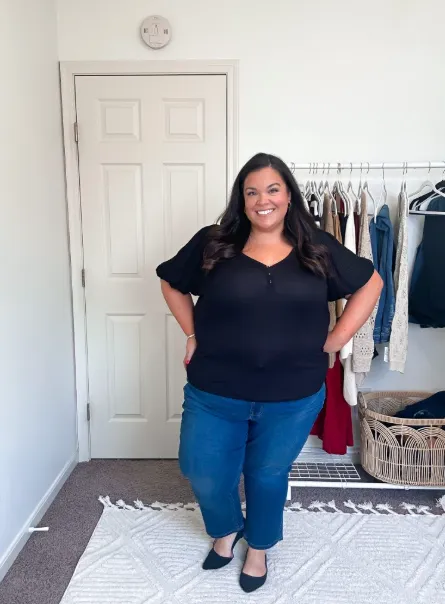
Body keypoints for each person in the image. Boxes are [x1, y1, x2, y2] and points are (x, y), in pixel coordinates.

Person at [156, 153, 382, 593]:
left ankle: (257, 548)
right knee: (202, 470)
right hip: (215, 389)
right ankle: (226, 529)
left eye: (273, 189)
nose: (263, 200)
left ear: (289, 195)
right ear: (241, 200)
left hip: (292, 395)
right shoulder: (214, 243)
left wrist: (336, 338)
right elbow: (170, 280)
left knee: (266, 474)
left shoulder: (316, 246)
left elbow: (370, 283)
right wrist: (191, 332)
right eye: (252, 191)